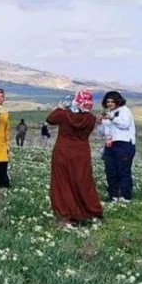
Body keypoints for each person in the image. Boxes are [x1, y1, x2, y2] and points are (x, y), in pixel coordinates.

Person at [46, 90, 104, 225]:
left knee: (62, 183)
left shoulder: (63, 114)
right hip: (81, 154)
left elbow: (50, 119)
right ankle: (91, 211)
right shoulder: (91, 119)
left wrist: (60, 107)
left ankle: (65, 213)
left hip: (62, 152)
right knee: (83, 181)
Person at [100, 91, 137, 203]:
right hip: (110, 143)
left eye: (112, 101)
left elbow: (124, 124)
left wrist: (112, 118)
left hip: (124, 143)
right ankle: (113, 195)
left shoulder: (124, 110)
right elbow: (103, 132)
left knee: (123, 171)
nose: (110, 104)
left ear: (118, 101)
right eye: (108, 101)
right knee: (110, 170)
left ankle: (125, 197)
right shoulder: (108, 113)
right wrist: (99, 123)